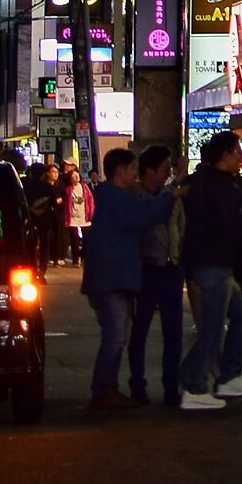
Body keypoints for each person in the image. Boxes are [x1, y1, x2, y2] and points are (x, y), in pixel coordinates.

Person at [82, 146, 176, 409]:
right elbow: (146, 215)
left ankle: (107, 388)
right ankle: (103, 390)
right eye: (133, 168)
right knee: (115, 336)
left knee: (116, 335)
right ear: (120, 171)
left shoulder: (110, 196)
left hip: (110, 278)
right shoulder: (116, 197)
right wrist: (172, 194)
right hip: (112, 278)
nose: (136, 174)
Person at [179, 128, 242, 410]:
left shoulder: (202, 182)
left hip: (211, 262)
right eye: (238, 152)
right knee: (214, 327)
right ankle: (195, 385)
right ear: (226, 155)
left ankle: (228, 376)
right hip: (214, 263)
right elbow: (230, 227)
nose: (241, 157)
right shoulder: (222, 186)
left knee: (240, 318)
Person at [128, 146, 185, 409]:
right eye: (163, 169)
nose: (166, 174)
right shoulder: (136, 196)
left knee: (173, 332)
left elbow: (180, 228)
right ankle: (138, 385)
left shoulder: (169, 195)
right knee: (140, 330)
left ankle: (171, 386)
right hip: (147, 268)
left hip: (171, 267)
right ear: (149, 171)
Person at [62, 163, 92, 265]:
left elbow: (90, 200)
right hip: (73, 217)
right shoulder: (68, 190)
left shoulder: (84, 187)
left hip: (84, 216)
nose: (76, 177)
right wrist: (66, 218)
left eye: (77, 175)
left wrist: (91, 213)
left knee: (87, 238)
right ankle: (75, 259)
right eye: (74, 176)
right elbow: (66, 204)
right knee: (74, 239)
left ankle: (83, 256)